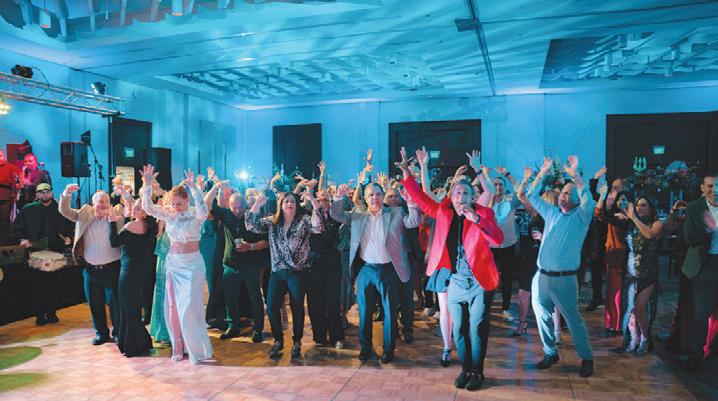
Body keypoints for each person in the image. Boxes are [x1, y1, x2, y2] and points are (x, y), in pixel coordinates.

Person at [399, 148, 503, 391]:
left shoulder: (483, 213)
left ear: (472, 196)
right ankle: (466, 369)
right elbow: (422, 199)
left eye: (466, 192)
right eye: (457, 192)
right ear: (452, 196)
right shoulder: (443, 212)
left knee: (477, 329)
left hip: (479, 281)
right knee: (459, 329)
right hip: (455, 281)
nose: (461, 196)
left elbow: (497, 239)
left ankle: (477, 371)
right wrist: (407, 173)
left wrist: (477, 220)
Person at [330, 156, 421, 364]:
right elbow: (336, 215)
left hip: (389, 270)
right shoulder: (358, 214)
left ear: (383, 196)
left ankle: (389, 350)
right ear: (365, 197)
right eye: (371, 195)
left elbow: (414, 221)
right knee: (364, 312)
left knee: (390, 313)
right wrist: (338, 197)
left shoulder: (396, 212)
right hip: (366, 270)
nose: (375, 198)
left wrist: (411, 202)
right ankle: (365, 348)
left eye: (378, 194)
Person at [525, 156, 596, 378]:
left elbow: (588, 201)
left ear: (576, 198)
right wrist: (542, 172)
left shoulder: (582, 217)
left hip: (564, 279)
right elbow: (530, 195)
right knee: (541, 317)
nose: (562, 195)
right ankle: (550, 352)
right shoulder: (551, 213)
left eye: (567, 193)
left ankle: (586, 357)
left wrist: (575, 176)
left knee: (574, 320)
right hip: (541, 277)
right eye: (562, 192)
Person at [140, 165, 218, 364]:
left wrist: (194, 188)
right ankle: (178, 344)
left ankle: (194, 346)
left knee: (189, 307)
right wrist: (147, 185)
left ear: (187, 201)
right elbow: (148, 208)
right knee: (173, 306)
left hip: (193, 265)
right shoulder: (169, 214)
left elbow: (204, 208)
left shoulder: (196, 214)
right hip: (173, 264)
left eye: (179, 203)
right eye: (173, 203)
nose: (176, 207)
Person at [245, 190, 323, 359]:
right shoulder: (273, 222)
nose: (289, 204)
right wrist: (257, 205)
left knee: (297, 308)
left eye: (292, 201)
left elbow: (318, 226)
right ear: (280, 205)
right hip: (278, 272)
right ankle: (278, 340)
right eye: (286, 201)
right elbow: (251, 225)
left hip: (297, 272)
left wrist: (313, 201)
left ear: (296, 205)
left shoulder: (303, 221)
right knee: (272, 306)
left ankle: (297, 341)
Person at [59, 185, 124, 345]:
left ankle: (118, 332)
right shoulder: (84, 214)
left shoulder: (116, 216)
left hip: (112, 268)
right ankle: (101, 333)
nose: (103, 204)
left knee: (115, 304)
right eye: (100, 202)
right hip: (90, 269)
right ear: (93, 204)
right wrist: (67, 193)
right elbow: (64, 211)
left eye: (106, 201)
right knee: (95, 303)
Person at [12, 182, 73, 325]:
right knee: (37, 286)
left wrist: (69, 237)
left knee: (54, 285)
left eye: (47, 191)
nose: (44, 194)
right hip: (35, 253)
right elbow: (16, 228)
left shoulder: (61, 209)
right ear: (37, 194)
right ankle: (39, 315)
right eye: (41, 192)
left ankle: (52, 313)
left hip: (56, 252)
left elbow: (70, 226)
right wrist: (23, 239)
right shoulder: (28, 209)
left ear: (52, 193)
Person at [212, 192, 268, 342]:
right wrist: (216, 189)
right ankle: (233, 326)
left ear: (246, 206)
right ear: (229, 206)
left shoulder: (253, 218)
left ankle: (258, 329)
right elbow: (208, 206)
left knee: (255, 298)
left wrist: (250, 246)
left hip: (250, 265)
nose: (237, 211)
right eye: (234, 207)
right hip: (229, 265)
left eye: (241, 207)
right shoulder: (227, 215)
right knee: (230, 298)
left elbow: (265, 242)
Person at [109, 198, 156, 357]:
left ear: (145, 212)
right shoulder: (150, 228)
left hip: (128, 271)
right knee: (133, 306)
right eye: (135, 207)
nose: (134, 209)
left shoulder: (131, 226)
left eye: (138, 208)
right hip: (141, 270)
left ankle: (132, 344)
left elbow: (114, 242)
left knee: (127, 306)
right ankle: (139, 342)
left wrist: (112, 222)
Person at [682, 172, 718, 372]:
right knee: (701, 313)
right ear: (703, 188)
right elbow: (689, 238)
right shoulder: (694, 208)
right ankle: (695, 354)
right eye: (710, 186)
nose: (715, 190)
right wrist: (707, 229)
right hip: (705, 266)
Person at [307, 189, 346, 348]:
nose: (323, 203)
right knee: (315, 301)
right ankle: (320, 336)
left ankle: (337, 336)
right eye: (320, 200)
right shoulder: (309, 218)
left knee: (332, 301)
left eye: (327, 201)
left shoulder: (336, 218)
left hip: (332, 261)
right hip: (313, 262)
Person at [489, 166, 521, 323]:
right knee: (489, 276)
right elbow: (486, 217)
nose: (498, 187)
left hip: (507, 244)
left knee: (506, 277)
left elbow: (519, 190)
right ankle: (487, 306)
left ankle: (506, 308)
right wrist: (491, 199)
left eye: (500, 185)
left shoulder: (510, 201)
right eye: (495, 184)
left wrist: (507, 174)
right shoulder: (488, 202)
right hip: (490, 245)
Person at [0, 149, 21, 245]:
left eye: (0, 156)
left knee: (4, 222)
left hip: (4, 199)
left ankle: (4, 243)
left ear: (4, 156)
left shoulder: (11, 167)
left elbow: (17, 181)